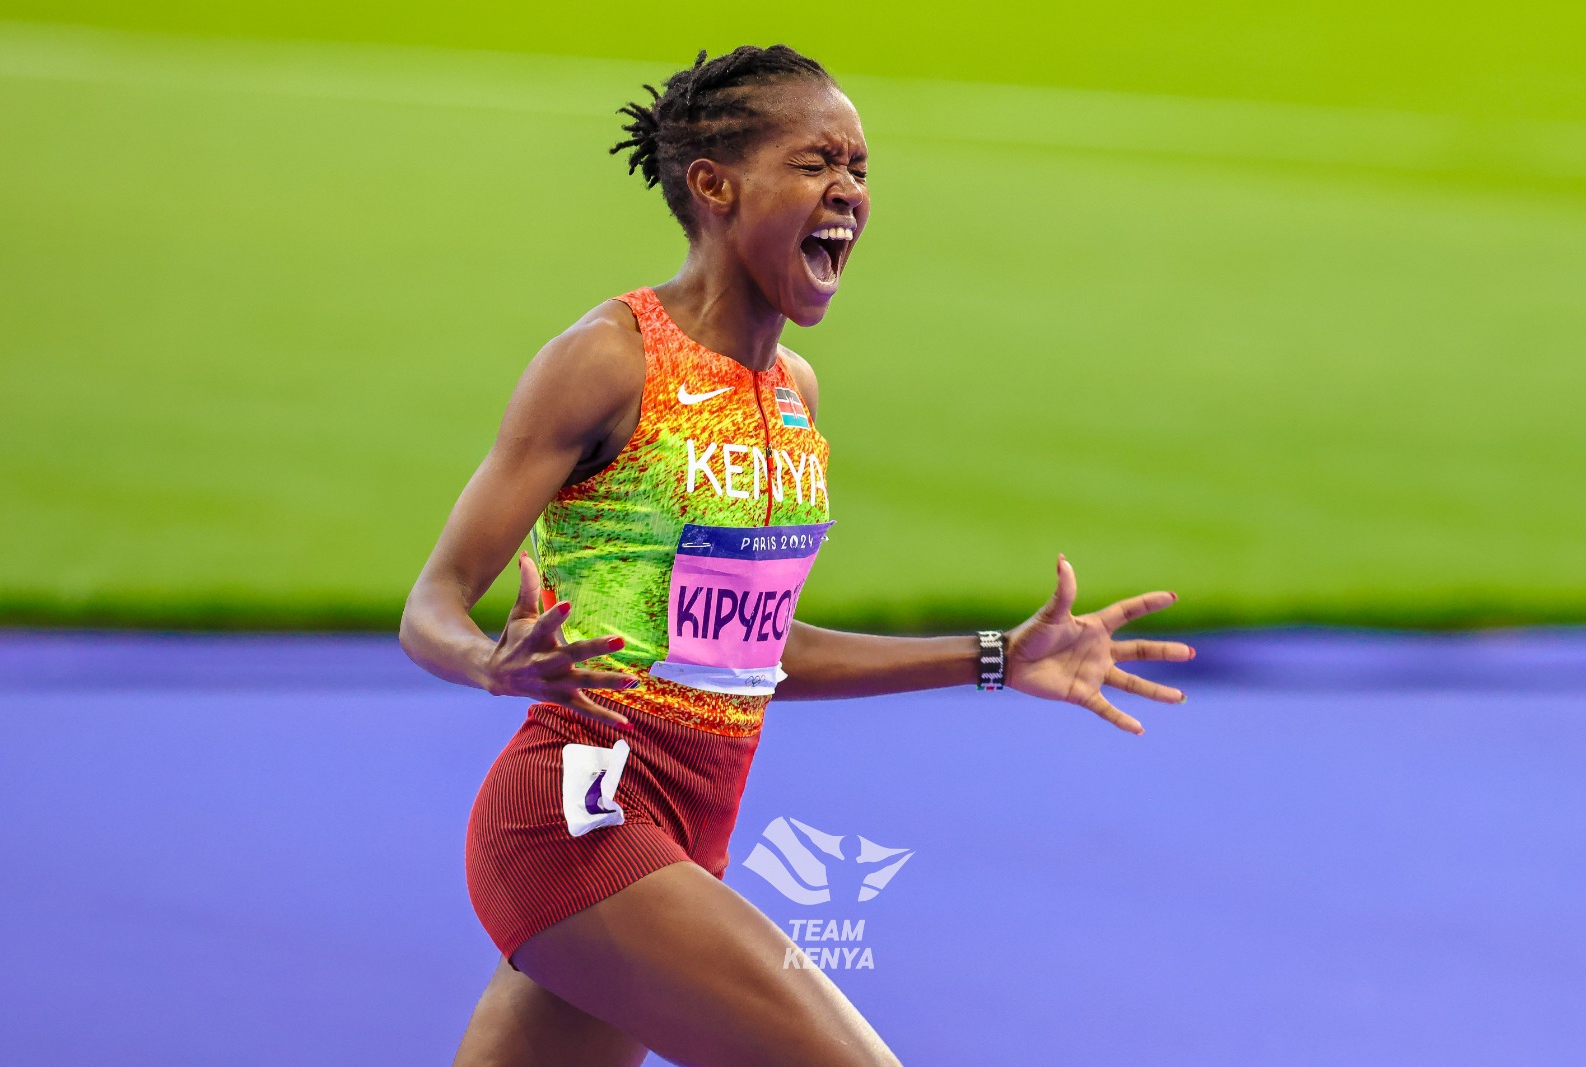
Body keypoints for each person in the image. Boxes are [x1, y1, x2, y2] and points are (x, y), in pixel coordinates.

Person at [399, 44, 1193, 1067]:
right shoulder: (607, 359)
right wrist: (485, 661)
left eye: (860, 168)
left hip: (689, 829)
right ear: (715, 185)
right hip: (579, 818)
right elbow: (433, 601)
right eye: (818, 162)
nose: (849, 192)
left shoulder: (794, 395)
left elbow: (757, 653)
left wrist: (995, 654)